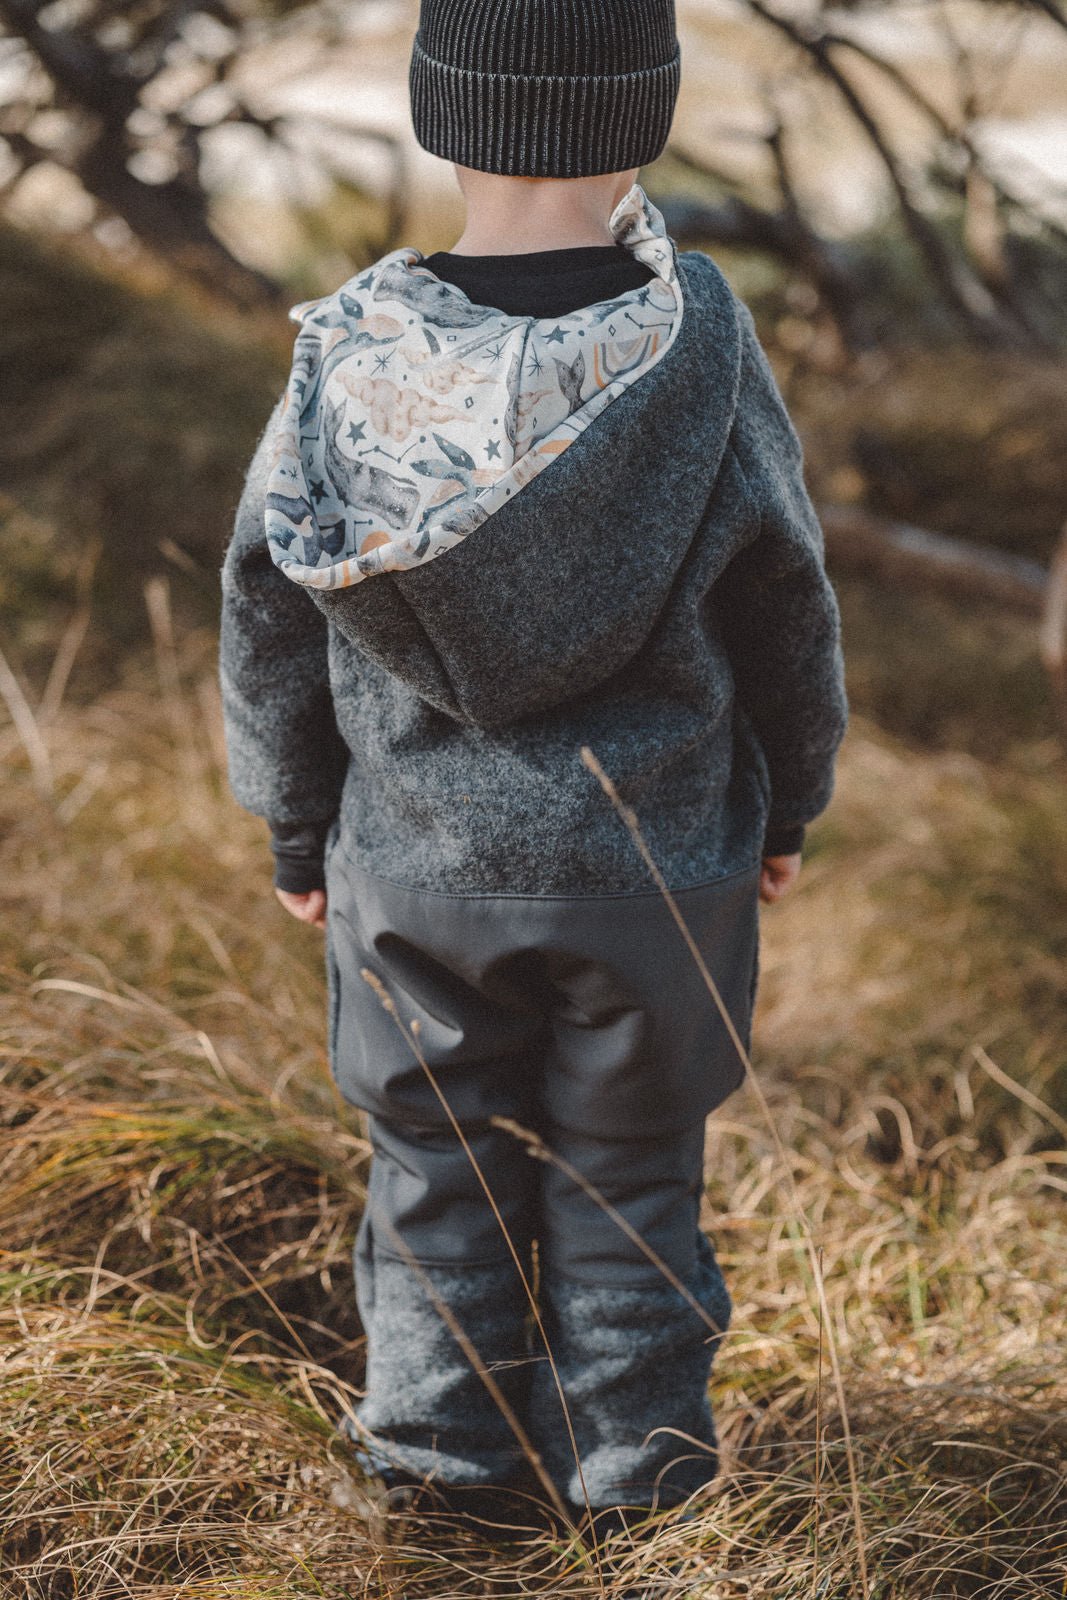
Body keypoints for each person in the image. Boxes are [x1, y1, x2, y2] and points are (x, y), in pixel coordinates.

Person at [218, 0, 848, 1542]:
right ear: (645, 112)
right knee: (631, 1187)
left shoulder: (350, 345)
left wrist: (298, 825)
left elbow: (266, 606)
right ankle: (645, 1503)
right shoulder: (698, 339)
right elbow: (786, 598)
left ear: (445, 112)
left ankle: (441, 1493)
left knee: (435, 1185)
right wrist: (794, 796)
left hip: (413, 871)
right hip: (657, 871)